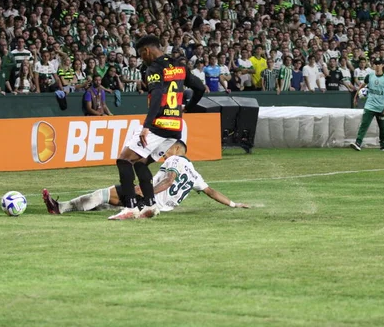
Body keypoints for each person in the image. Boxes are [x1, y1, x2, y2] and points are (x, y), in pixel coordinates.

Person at [109, 35, 205, 220]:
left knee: (124, 160)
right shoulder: (179, 65)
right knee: (140, 162)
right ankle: (150, 206)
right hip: (174, 128)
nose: (141, 59)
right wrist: (187, 108)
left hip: (158, 124)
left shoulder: (154, 68)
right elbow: (200, 88)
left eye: (141, 54)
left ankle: (130, 207)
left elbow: (157, 95)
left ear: (146, 51)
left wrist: (147, 126)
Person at [42, 141, 249, 215]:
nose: (164, 152)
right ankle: (75, 208)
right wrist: (233, 204)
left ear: (177, 149)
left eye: (167, 148)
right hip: (161, 208)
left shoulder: (175, 161)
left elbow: (168, 181)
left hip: (148, 199)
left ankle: (59, 208)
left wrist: (145, 191)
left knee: (102, 194)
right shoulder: (194, 173)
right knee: (108, 204)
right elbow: (210, 192)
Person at [350, 58, 384, 152]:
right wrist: (355, 97)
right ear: (373, 66)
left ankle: (382, 144)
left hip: (381, 106)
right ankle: (358, 143)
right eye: (375, 64)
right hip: (369, 105)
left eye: (379, 64)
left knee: (383, 127)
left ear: (382, 65)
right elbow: (362, 86)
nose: (377, 66)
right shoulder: (370, 76)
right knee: (364, 124)